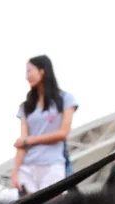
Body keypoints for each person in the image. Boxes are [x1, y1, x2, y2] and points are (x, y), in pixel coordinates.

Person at [11, 55, 79, 194]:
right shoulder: (25, 107)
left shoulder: (65, 99)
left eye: (30, 71)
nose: (26, 76)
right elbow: (21, 143)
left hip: (53, 165)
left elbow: (63, 133)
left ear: (42, 71)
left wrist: (30, 140)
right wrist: (15, 172)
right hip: (27, 168)